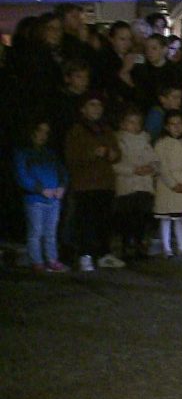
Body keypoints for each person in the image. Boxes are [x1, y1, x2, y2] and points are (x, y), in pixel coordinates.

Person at [65, 91, 123, 272]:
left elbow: (116, 152)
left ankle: (104, 254)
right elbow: (72, 156)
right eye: (92, 104)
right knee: (86, 221)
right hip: (85, 185)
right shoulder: (77, 130)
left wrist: (112, 154)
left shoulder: (106, 130)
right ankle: (86, 254)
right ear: (83, 109)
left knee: (104, 221)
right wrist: (92, 153)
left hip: (105, 184)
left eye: (99, 105)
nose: (96, 109)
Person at [13, 117, 70, 273]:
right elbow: (22, 176)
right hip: (35, 200)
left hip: (53, 200)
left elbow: (63, 172)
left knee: (51, 232)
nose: (43, 135)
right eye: (40, 131)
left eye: (46, 132)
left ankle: (52, 259)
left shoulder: (50, 153)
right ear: (31, 132)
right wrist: (40, 190)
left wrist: (62, 187)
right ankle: (36, 261)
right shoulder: (22, 153)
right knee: (36, 232)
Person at [112, 106, 158, 260]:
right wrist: (133, 170)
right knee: (127, 217)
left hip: (144, 185)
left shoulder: (145, 140)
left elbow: (155, 160)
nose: (135, 126)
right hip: (127, 185)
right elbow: (115, 164)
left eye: (137, 122)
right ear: (123, 124)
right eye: (131, 122)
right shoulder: (118, 140)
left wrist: (151, 167)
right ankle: (126, 245)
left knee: (142, 217)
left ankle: (139, 244)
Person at [153, 110, 182, 258]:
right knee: (166, 218)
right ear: (166, 127)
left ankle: (181, 246)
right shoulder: (161, 144)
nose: (176, 127)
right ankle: (166, 248)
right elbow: (162, 166)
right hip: (167, 186)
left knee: (180, 218)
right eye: (173, 124)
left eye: (179, 124)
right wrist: (173, 184)